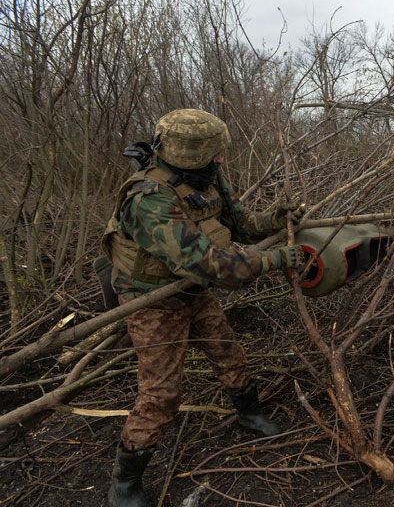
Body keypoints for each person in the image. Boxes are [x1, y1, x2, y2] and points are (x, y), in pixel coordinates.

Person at [101, 108, 305, 507]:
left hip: (192, 289)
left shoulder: (205, 178)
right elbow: (211, 265)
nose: (221, 159)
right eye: (214, 153)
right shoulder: (148, 199)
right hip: (152, 301)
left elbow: (239, 222)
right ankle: (124, 480)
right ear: (191, 154)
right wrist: (275, 259)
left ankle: (248, 413)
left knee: (228, 351)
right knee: (162, 393)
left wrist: (273, 220)